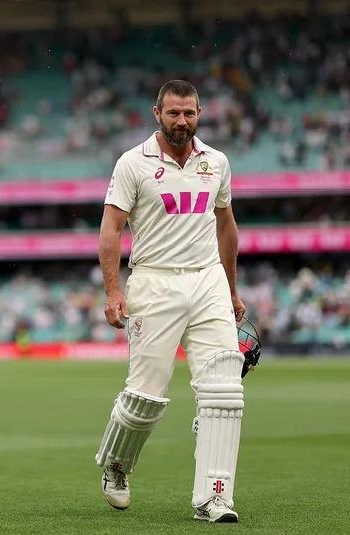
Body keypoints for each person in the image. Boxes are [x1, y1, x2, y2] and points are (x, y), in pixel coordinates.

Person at [94, 80, 246, 523]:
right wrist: (113, 290)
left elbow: (227, 228)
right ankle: (118, 465)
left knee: (223, 392)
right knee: (145, 396)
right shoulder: (132, 163)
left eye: (190, 113)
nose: (183, 121)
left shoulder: (216, 162)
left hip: (207, 282)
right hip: (154, 283)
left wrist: (232, 290)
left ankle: (214, 497)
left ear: (200, 113)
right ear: (156, 112)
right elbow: (111, 230)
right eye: (174, 113)